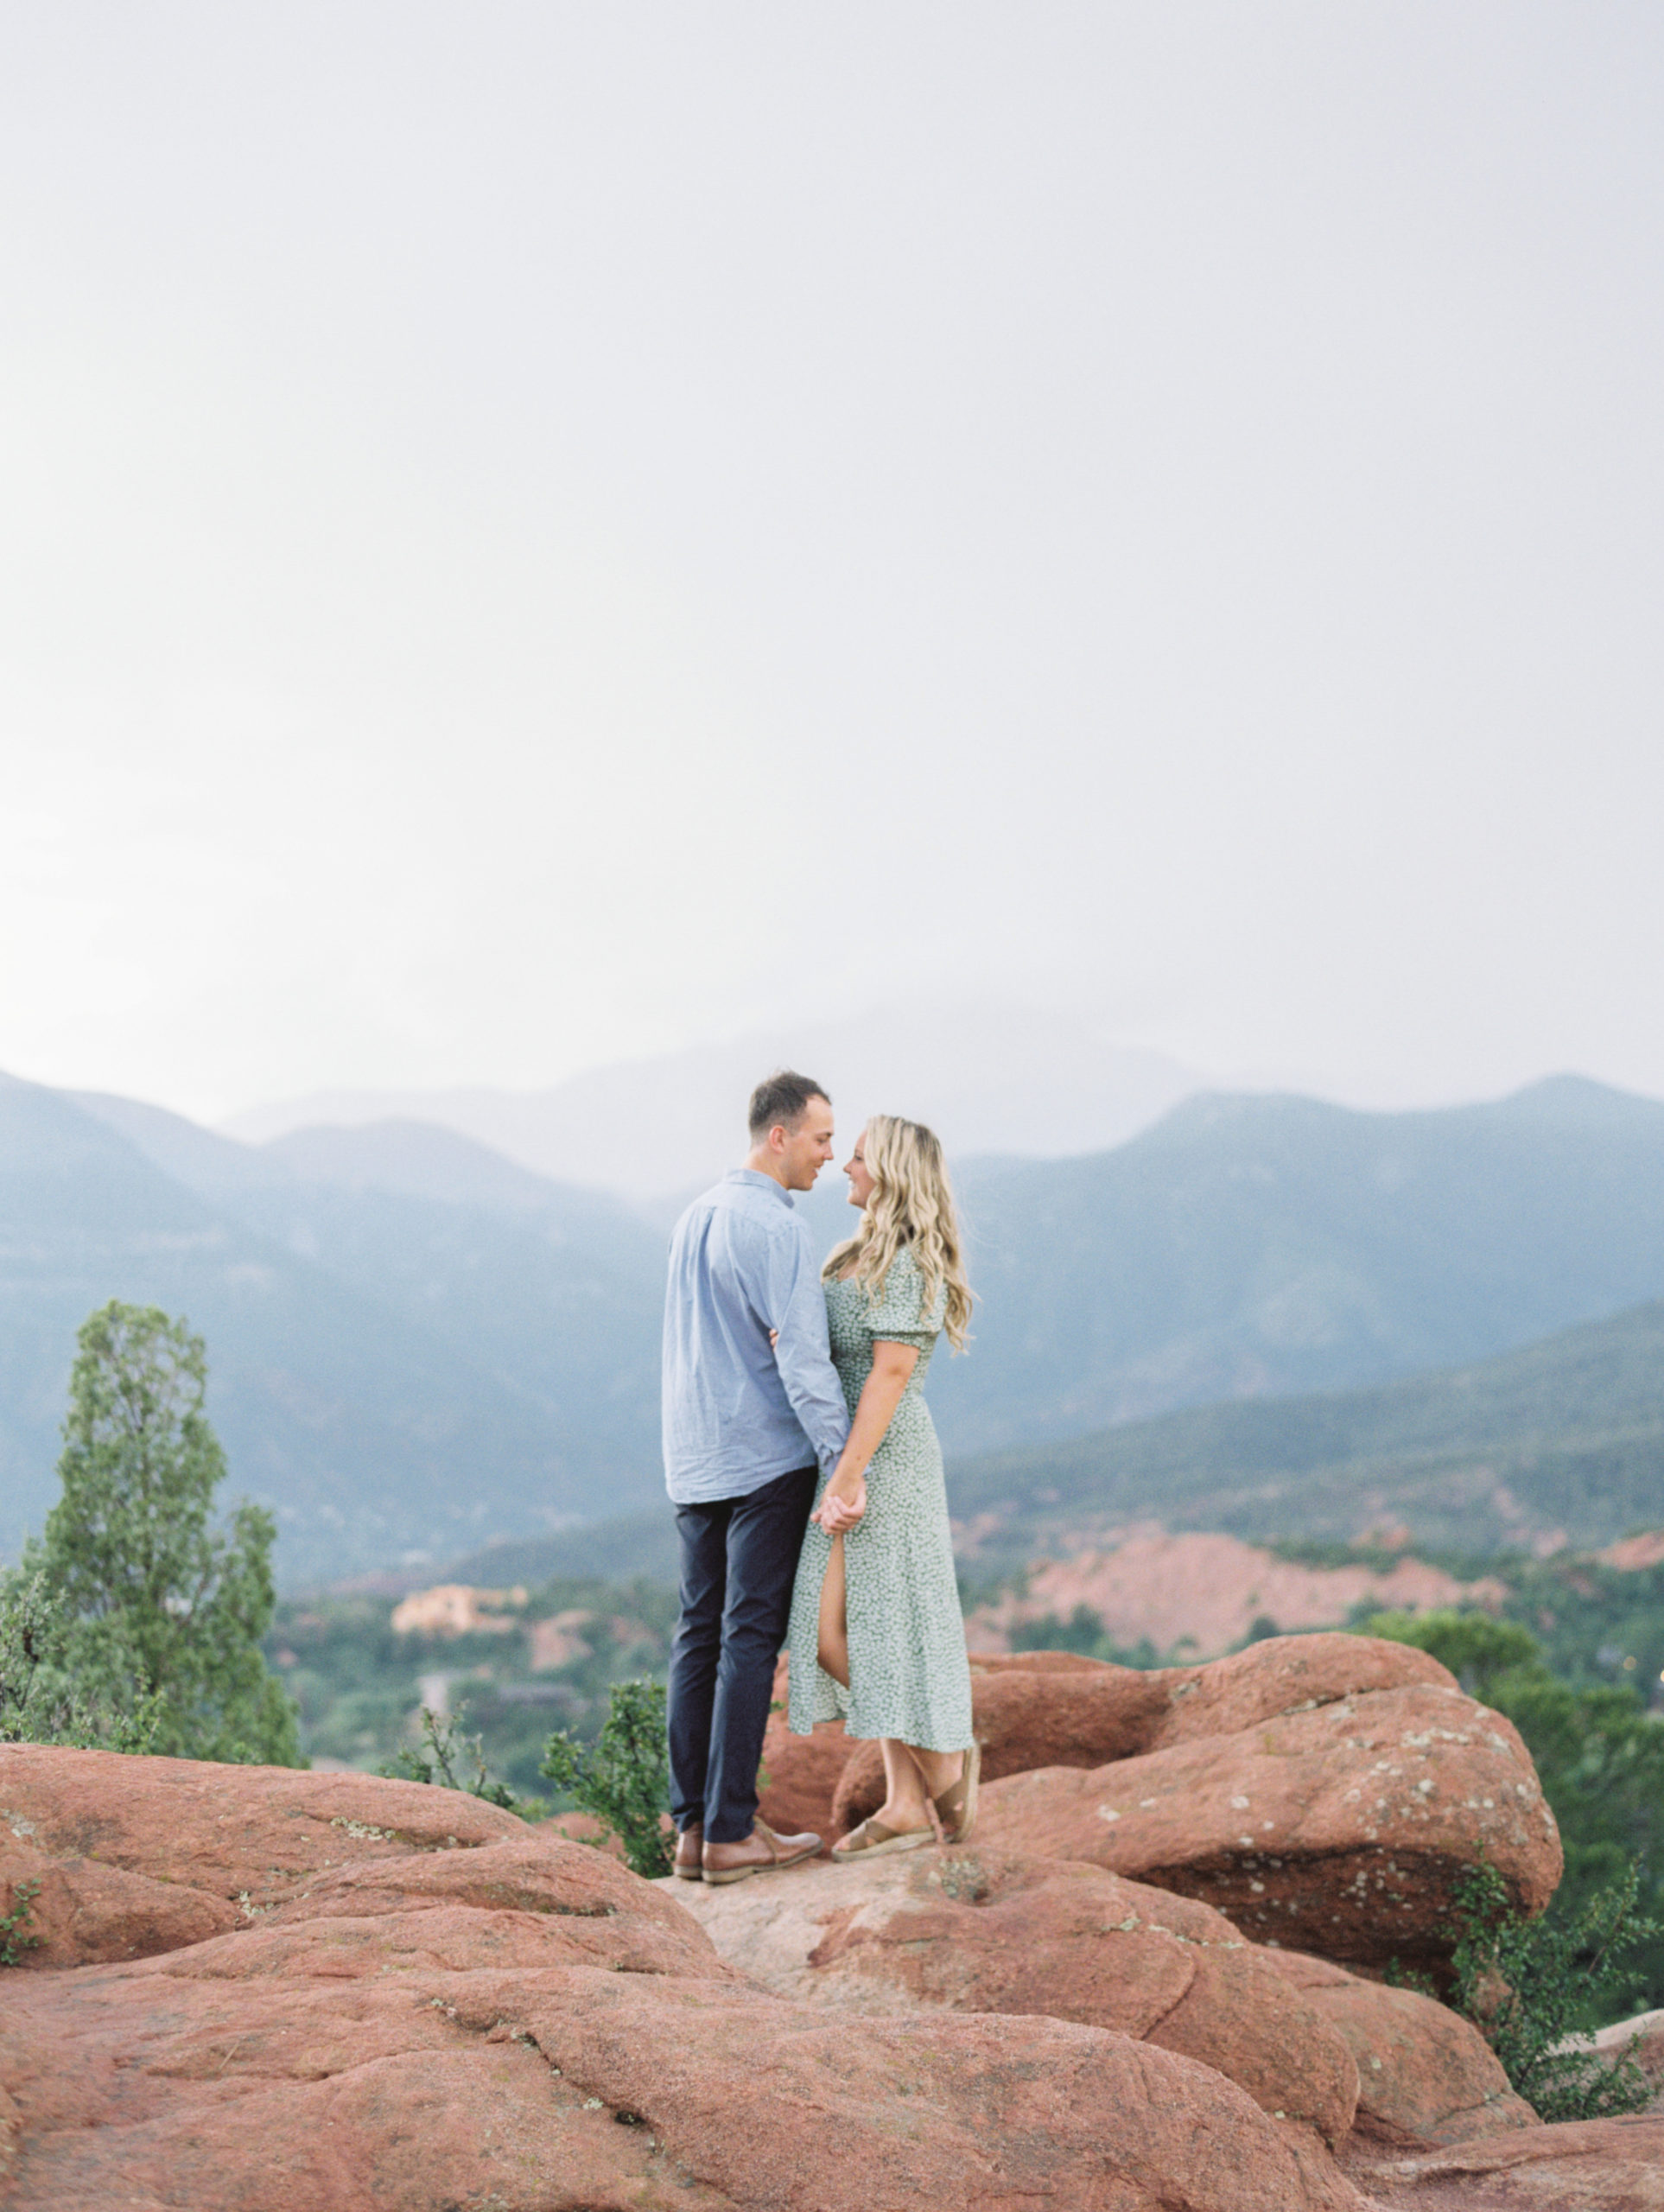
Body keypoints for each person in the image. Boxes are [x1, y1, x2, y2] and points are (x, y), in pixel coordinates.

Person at [662, 1070, 851, 1884]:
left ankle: (692, 1830)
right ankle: (734, 1829)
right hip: (765, 1457)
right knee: (747, 1639)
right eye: (819, 1139)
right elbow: (802, 1358)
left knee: (697, 1636)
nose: (828, 1157)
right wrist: (843, 1461)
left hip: (694, 1456)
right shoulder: (778, 1229)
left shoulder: (693, 1217)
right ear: (779, 1136)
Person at [784, 1114, 979, 1856]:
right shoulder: (848, 1258)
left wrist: (849, 1478)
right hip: (847, 1458)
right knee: (866, 1630)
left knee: (838, 1634)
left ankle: (945, 1772)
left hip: (883, 1461)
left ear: (892, 1171)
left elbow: (891, 1375)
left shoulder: (909, 1263)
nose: (845, 1167)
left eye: (858, 1157)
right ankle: (906, 1800)